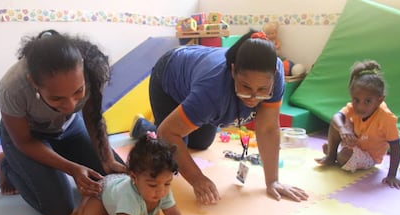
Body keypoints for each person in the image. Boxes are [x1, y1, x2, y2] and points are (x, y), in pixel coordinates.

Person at [130, 30, 309, 205]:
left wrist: (272, 181)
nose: (254, 98)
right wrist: (197, 178)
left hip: (198, 81)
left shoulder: (275, 73)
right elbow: (168, 132)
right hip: (170, 75)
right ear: (233, 71)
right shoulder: (212, 91)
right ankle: (143, 128)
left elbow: (268, 128)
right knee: (168, 158)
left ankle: (173, 122)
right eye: (245, 87)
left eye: (262, 90)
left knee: (200, 143)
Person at [0, 29, 126, 215]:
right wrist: (72, 169)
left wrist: (108, 159)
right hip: (28, 137)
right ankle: (8, 163)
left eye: (78, 92)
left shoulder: (92, 69)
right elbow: (24, 141)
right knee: (59, 208)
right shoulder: (13, 88)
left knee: (118, 180)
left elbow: (93, 116)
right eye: (57, 98)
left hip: (69, 129)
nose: (70, 106)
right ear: (34, 83)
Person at [315, 60, 400, 189]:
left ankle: (336, 154)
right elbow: (336, 117)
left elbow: (396, 147)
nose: (360, 106)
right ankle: (331, 156)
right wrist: (343, 129)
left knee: (344, 157)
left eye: (367, 101)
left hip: (369, 156)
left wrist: (392, 175)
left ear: (379, 100)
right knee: (337, 123)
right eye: (356, 100)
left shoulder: (386, 118)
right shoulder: (353, 108)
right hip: (354, 143)